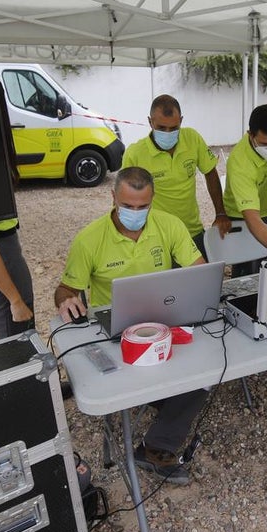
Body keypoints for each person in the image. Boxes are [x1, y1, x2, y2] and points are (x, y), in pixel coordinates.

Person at [54, 167, 207, 485]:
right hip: (114, 333)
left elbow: (199, 271)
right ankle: (163, 407)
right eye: (127, 205)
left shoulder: (169, 225)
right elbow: (66, 289)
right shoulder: (89, 239)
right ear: (113, 197)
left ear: (153, 200)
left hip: (164, 323)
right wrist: (66, 300)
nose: (135, 213)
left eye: (142, 206)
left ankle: (154, 447)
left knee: (203, 375)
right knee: (163, 381)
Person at [122, 94, 230, 250]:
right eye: (161, 128)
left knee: (206, 266)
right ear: (150, 122)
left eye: (173, 128)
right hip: (157, 236)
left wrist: (220, 213)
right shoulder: (135, 154)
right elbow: (123, 198)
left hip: (192, 231)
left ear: (181, 121)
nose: (167, 133)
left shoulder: (192, 138)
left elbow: (210, 172)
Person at [222, 104, 267, 275]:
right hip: (242, 218)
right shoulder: (239, 163)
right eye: (265, 143)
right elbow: (252, 218)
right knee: (248, 275)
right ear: (250, 134)